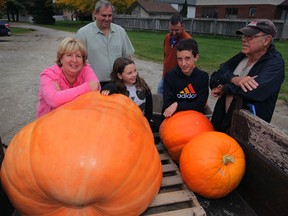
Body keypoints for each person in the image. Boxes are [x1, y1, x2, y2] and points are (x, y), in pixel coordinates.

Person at [210, 19, 285, 133]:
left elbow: (253, 92)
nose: (244, 39)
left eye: (250, 36)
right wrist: (235, 79)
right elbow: (216, 76)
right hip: (222, 124)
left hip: (247, 133)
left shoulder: (275, 64)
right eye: (244, 36)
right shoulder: (243, 56)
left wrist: (224, 88)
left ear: (267, 40)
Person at [36, 37, 100, 118]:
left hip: (74, 119)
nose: (74, 60)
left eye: (78, 56)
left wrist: (61, 96)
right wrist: (87, 87)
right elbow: (54, 100)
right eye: (69, 55)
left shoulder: (85, 69)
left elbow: (96, 88)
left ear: (83, 60)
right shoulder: (48, 75)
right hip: (49, 121)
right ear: (61, 58)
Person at [76, 0, 135, 87]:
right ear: (95, 13)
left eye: (110, 15)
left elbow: (128, 57)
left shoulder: (120, 31)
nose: (107, 19)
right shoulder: (83, 33)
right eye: (103, 15)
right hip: (94, 84)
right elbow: (77, 60)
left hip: (118, 82)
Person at [162, 38, 209, 118]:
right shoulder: (170, 76)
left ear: (196, 57)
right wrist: (191, 105)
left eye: (187, 58)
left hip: (194, 118)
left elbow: (200, 105)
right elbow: (168, 105)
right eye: (179, 59)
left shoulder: (203, 77)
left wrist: (177, 104)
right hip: (173, 119)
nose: (183, 63)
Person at [101, 57, 153, 122]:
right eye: (129, 73)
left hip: (141, 123)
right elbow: (110, 86)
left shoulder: (142, 84)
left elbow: (149, 107)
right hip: (124, 125)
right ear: (119, 75)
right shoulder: (116, 88)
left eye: (135, 71)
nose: (134, 75)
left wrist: (147, 122)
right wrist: (108, 88)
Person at [157, 13, 192, 94]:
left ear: (182, 26)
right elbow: (165, 56)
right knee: (160, 92)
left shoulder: (187, 40)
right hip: (166, 76)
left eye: (176, 30)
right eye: (171, 30)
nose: (173, 33)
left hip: (178, 78)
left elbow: (189, 63)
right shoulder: (167, 38)